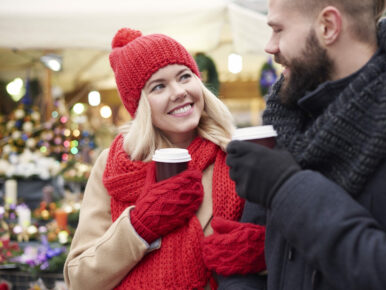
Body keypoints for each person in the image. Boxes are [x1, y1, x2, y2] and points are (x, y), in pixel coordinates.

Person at [223, 0, 386, 289]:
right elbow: (245, 259)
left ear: (328, 27)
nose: (270, 46)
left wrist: (287, 188)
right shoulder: (287, 121)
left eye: (278, 29)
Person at [64, 28, 265, 290]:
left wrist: (262, 254)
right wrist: (139, 227)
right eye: (158, 86)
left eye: (184, 76)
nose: (179, 91)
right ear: (140, 105)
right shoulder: (113, 165)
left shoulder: (235, 155)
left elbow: (282, 255)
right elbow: (80, 279)